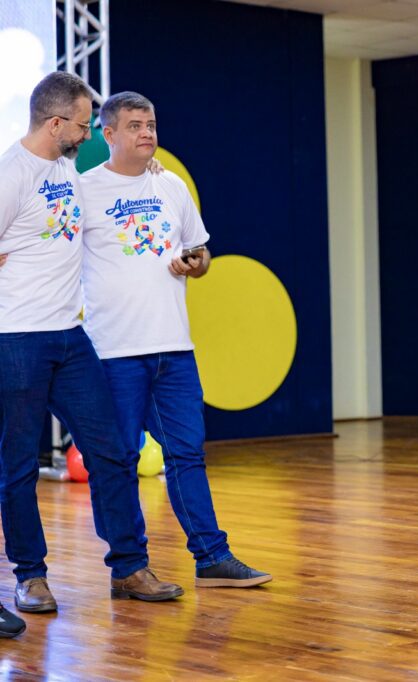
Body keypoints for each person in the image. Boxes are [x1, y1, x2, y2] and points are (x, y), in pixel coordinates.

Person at [0, 73, 183, 635]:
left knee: (112, 451)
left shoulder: (65, 168)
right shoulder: (11, 173)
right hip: (18, 337)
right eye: (82, 126)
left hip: (71, 336)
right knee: (19, 465)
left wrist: (146, 171)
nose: (88, 135)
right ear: (56, 123)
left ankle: (129, 568)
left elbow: (104, 193)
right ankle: (30, 576)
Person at [79, 91, 271, 588]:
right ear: (108, 134)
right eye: (135, 125)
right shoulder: (83, 190)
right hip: (114, 352)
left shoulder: (172, 185)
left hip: (174, 349)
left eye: (151, 124)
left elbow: (201, 254)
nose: (147, 132)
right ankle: (128, 567)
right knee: (118, 460)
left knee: (188, 454)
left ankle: (212, 557)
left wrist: (195, 263)